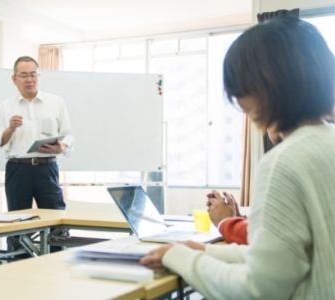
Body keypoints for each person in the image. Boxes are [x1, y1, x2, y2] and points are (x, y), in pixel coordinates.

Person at [141, 17, 335, 299]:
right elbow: (287, 260)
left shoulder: (284, 162)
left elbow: (258, 289)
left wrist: (181, 259)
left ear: (264, 86)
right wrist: (206, 251)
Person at [0, 56, 73, 212]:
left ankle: (56, 237)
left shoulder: (55, 101)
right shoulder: (5, 106)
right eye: (23, 75)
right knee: (17, 222)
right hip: (18, 169)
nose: (29, 79)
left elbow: (68, 134)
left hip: (47, 167)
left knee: (56, 218)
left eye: (33, 74)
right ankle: (18, 238)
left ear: (38, 76)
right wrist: (10, 129)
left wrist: (60, 147)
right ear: (14, 79)